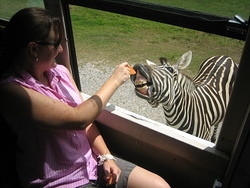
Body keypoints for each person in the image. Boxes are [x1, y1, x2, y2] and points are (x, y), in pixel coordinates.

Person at [0, 7, 170, 188]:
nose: (60, 49)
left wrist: (106, 156)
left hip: (91, 164)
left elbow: (87, 123)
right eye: (56, 43)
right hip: (60, 182)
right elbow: (79, 118)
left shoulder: (61, 72)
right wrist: (114, 80)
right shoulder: (12, 91)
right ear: (33, 49)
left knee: (159, 185)